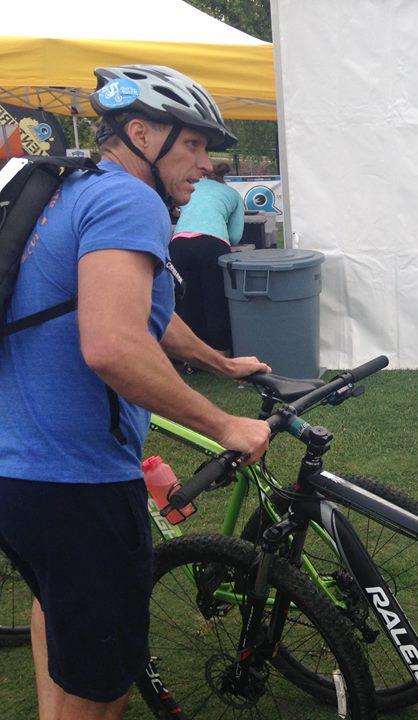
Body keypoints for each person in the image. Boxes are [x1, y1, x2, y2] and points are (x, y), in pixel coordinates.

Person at [0, 65, 272, 720]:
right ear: (141, 132)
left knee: (57, 616)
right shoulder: (130, 199)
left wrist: (217, 360)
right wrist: (222, 424)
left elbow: (135, 304)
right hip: (79, 483)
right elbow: (113, 344)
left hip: (17, 474)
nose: (205, 165)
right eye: (193, 146)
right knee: (102, 695)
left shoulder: (72, 186)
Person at [170, 161, 245, 352]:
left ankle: (189, 355)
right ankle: (220, 351)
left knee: (186, 298)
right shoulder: (233, 195)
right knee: (215, 298)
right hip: (213, 244)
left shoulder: (192, 187)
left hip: (179, 243)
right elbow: (235, 236)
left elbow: (176, 209)